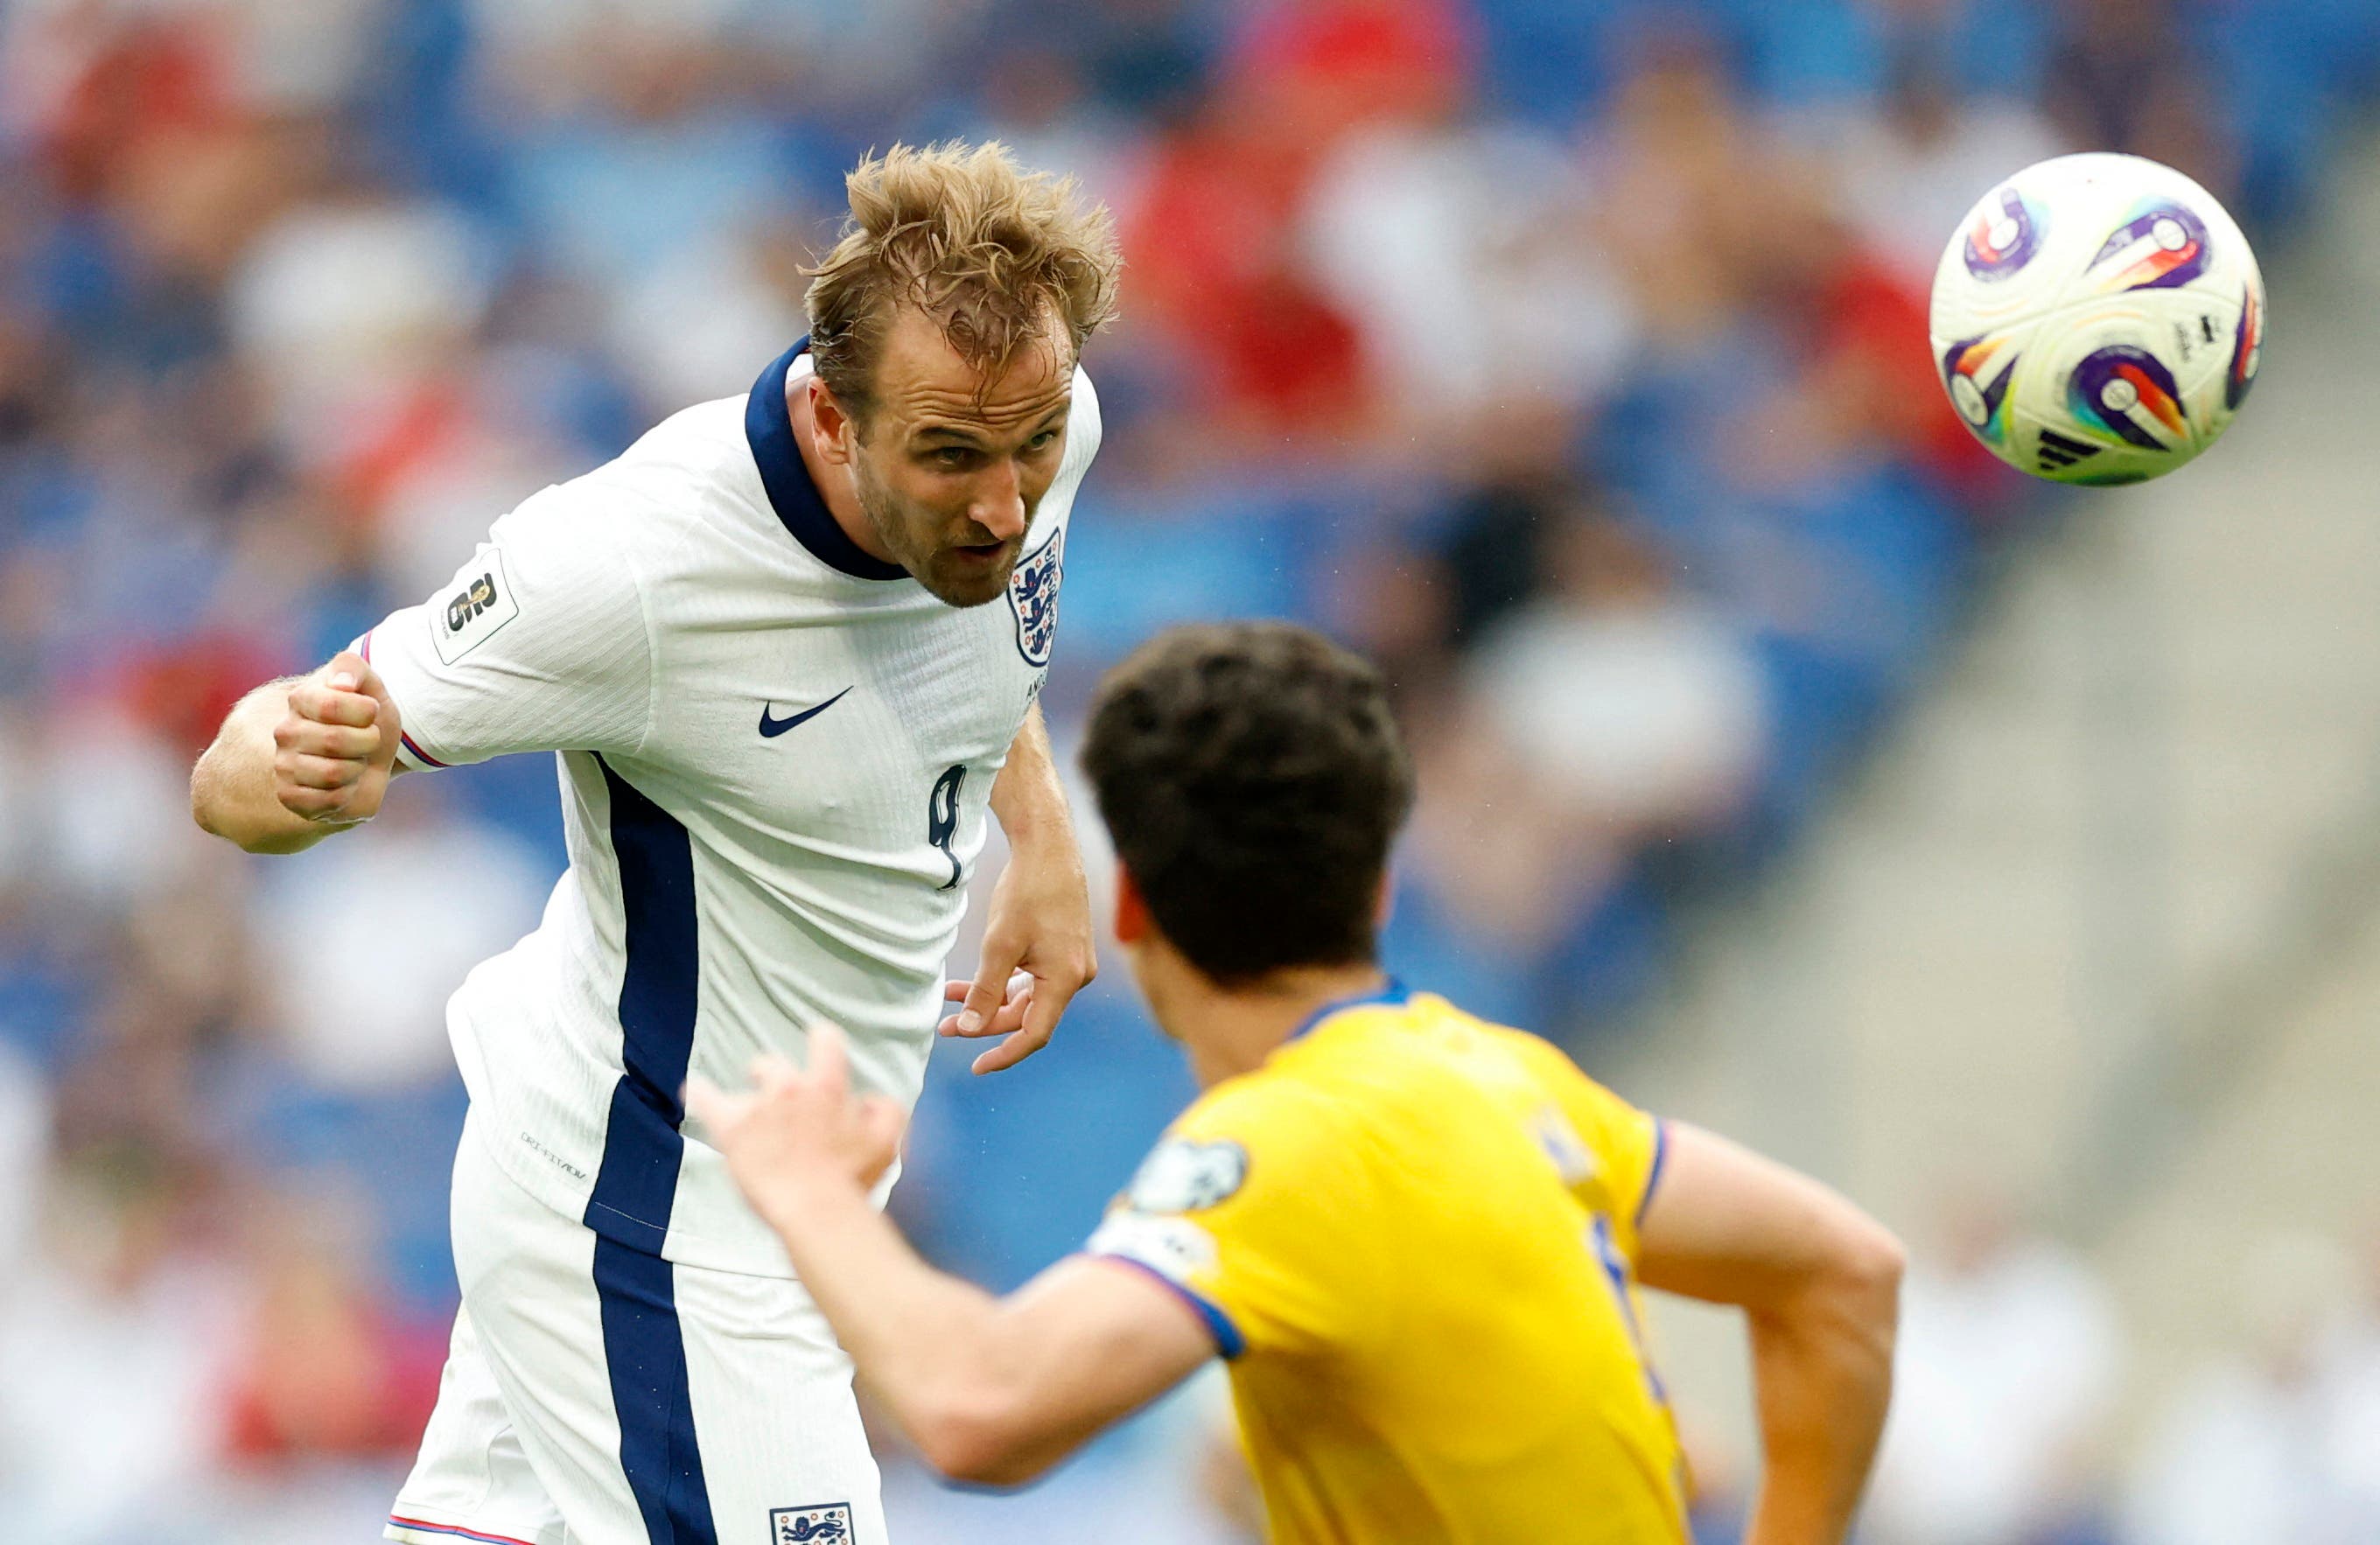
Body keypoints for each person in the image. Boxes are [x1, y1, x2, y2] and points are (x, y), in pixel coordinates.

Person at [188, 140, 1118, 1545]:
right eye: (950, 456)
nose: (1005, 498)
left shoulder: (1037, 420)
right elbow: (264, 753)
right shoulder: (627, 568)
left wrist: (1034, 828)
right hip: (659, 1217)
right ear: (830, 417)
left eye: (1030, 446)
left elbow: (982, 618)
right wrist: (273, 767)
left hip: (769, 1198)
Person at [692, 621, 1908, 1543]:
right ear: (1381, 887)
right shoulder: (1503, 1075)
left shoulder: (1289, 1149)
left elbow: (976, 1408)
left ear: (1129, 908)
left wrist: (808, 1189)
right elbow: (1845, 1271)